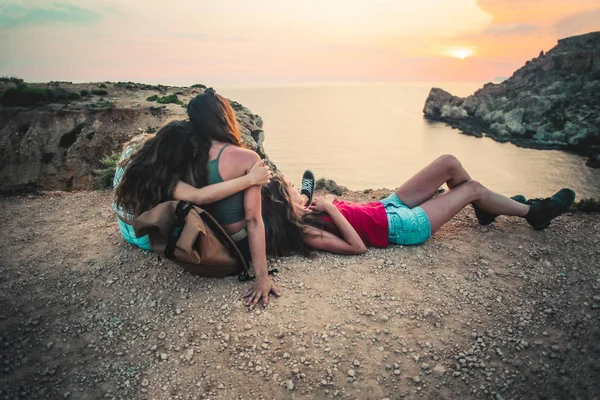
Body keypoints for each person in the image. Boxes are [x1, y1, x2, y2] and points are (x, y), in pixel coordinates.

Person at [261, 154, 576, 255]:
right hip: (405, 226)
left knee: (449, 163)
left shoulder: (300, 208)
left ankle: (486, 209)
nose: (298, 193)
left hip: (388, 206)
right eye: (290, 192)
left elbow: (303, 189)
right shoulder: (306, 231)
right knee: (473, 188)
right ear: (284, 207)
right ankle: (534, 214)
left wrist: (304, 194)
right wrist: (330, 208)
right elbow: (357, 248)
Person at [113, 120, 272, 252]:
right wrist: (250, 179)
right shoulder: (162, 175)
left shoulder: (135, 149)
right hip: (145, 238)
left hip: (126, 229)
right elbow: (199, 196)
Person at [186, 88, 280, 307]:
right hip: (239, 244)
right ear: (224, 116)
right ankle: (303, 200)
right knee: (276, 194)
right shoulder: (245, 157)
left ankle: (301, 198)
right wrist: (262, 277)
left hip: (205, 240)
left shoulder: (185, 156)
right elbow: (253, 219)